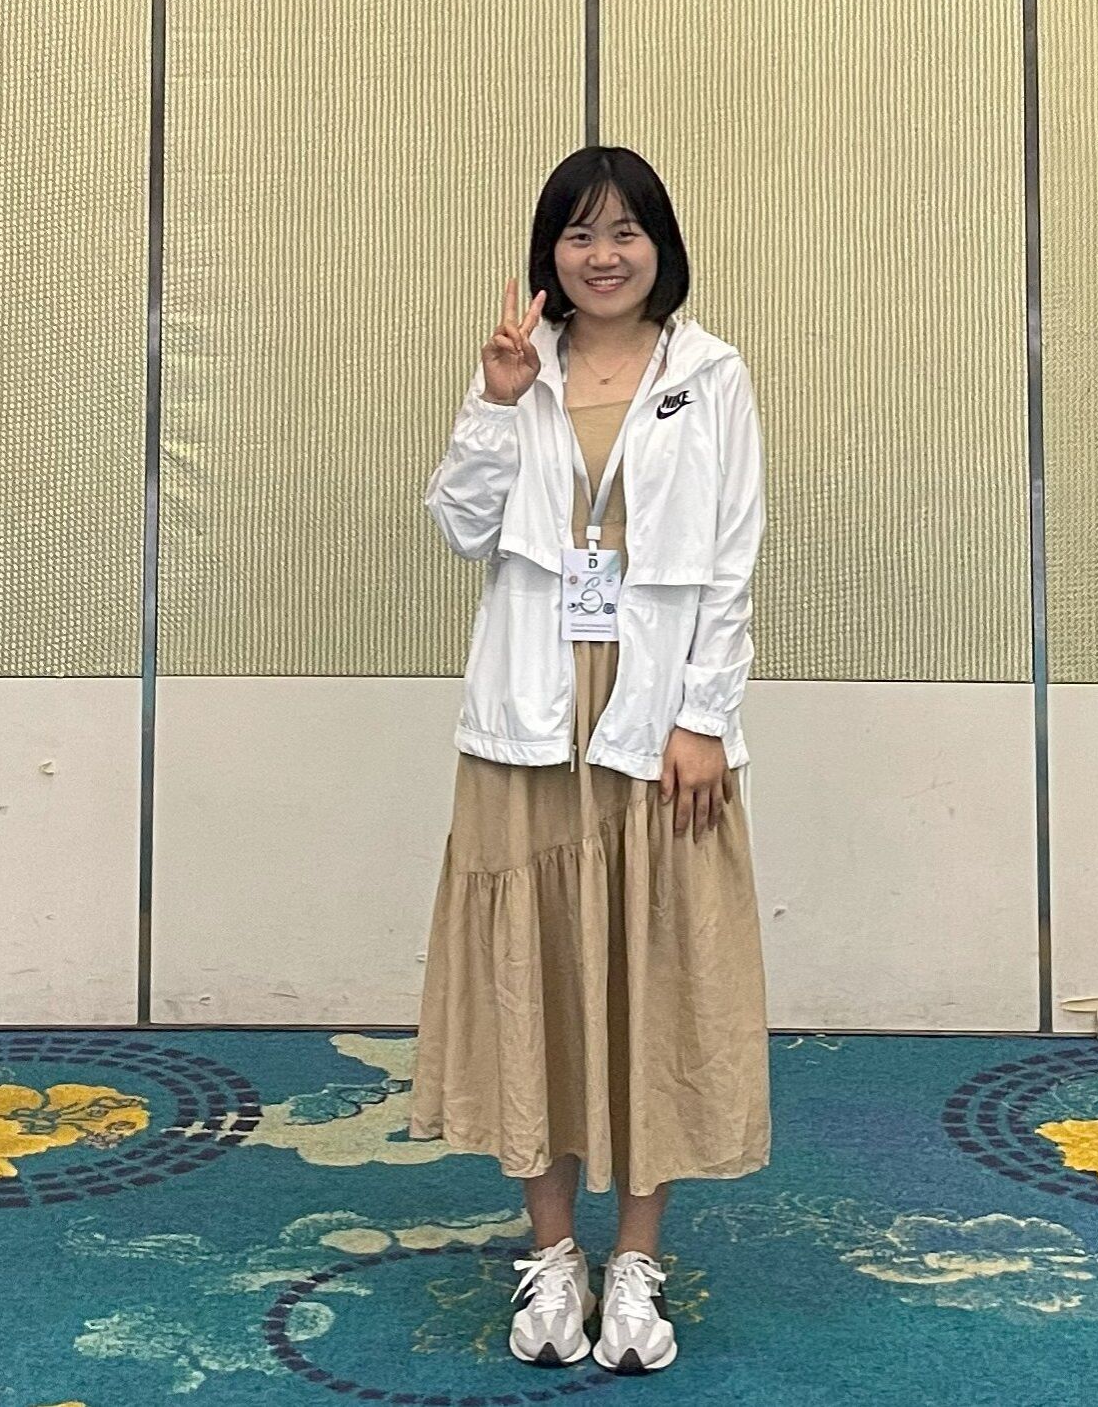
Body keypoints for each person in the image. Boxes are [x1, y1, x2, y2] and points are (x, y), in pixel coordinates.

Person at [409, 146, 770, 1374]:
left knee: (654, 968)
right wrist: (492, 400)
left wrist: (704, 717)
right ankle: (554, 1251)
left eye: (624, 231)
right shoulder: (522, 369)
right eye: (578, 234)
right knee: (539, 969)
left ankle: (639, 1260)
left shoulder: (710, 375)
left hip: (653, 710)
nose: (603, 255)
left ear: (659, 244)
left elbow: (732, 558)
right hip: (529, 708)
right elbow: (462, 526)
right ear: (548, 253)